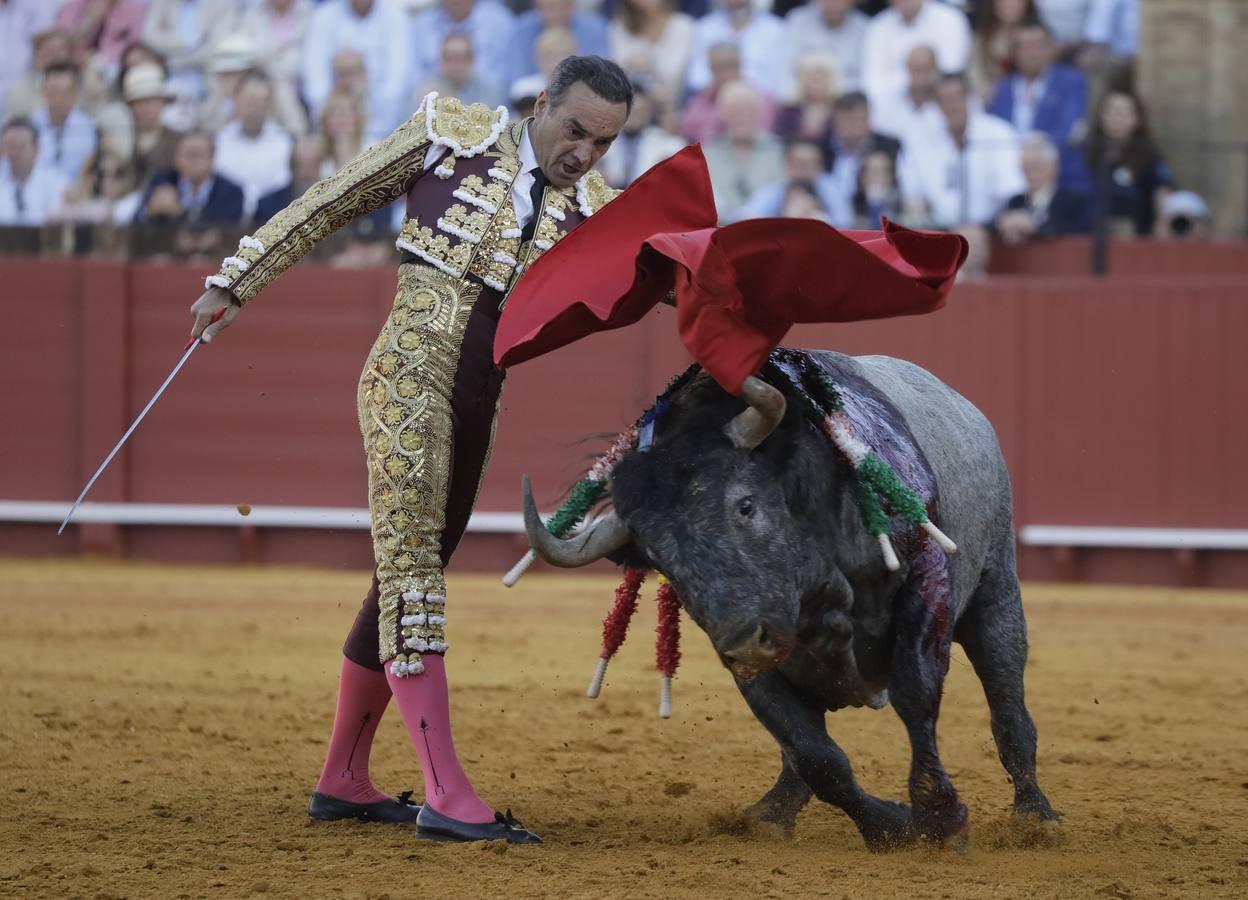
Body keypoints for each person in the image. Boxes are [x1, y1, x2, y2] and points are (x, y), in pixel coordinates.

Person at [187, 55, 630, 844]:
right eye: (577, 131)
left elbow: (660, 279)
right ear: (543, 104)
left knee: (401, 575)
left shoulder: (594, 209)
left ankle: (344, 780)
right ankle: (445, 792)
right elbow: (332, 201)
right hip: (406, 382)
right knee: (414, 580)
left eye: (603, 143)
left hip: (478, 404)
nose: (586, 154)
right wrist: (238, 279)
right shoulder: (449, 134)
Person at [897, 73, 1024, 231]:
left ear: (969, 97)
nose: (951, 105)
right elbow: (913, 197)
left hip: (992, 232)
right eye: (944, 100)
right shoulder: (918, 140)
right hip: (938, 232)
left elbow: (1011, 190)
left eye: (956, 97)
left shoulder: (999, 132)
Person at [987, 19, 1090, 193]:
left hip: (1059, 178)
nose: (1031, 53)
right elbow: (994, 131)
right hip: (1008, 177)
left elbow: (1068, 129)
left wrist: (1031, 155)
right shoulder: (1002, 88)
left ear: (1051, 49)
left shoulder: (1071, 81)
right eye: (1024, 47)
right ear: (1015, 53)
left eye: (1037, 46)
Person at [1084, 88, 1173, 237]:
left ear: (1137, 119)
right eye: (1111, 111)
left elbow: (1163, 194)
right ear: (1101, 116)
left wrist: (1162, 225)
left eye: (1124, 112)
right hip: (1088, 239)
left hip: (1136, 242)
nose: (1116, 117)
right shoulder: (1086, 152)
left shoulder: (1149, 157)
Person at [862, 0, 970, 118]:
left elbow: (950, 72)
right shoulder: (877, 27)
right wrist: (913, 80)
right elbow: (873, 85)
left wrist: (912, 80)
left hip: (941, 109)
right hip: (894, 111)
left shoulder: (951, 19)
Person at [702, 79, 784, 222]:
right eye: (734, 109)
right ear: (722, 114)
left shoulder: (779, 151)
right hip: (718, 233)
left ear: (760, 113)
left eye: (747, 109)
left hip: (768, 232)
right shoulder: (708, 153)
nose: (741, 115)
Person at [213, 72, 294, 217]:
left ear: (269, 104)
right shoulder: (219, 140)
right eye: (249, 101)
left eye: (261, 102)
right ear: (236, 100)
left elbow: (282, 186)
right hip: (227, 221)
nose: (254, 108)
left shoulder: (285, 143)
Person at [995, 131, 1091, 243]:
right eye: (1026, 167)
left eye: (1036, 166)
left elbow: (1081, 229)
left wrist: (1036, 226)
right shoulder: (1016, 201)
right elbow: (993, 225)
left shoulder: (1073, 200)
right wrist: (1004, 223)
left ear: (1054, 166)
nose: (1030, 173)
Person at [729, 136, 848, 225]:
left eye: (809, 163)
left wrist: (817, 218)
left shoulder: (832, 190)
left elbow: (846, 223)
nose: (803, 168)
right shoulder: (771, 191)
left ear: (820, 167)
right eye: (798, 163)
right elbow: (747, 218)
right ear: (787, 165)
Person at [136, 128, 244, 224]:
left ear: (212, 159)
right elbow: (137, 220)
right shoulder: (161, 182)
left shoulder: (231, 192)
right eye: (189, 154)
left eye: (200, 154)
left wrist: (180, 213)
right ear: (177, 158)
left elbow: (227, 231)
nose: (195, 161)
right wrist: (150, 210)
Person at [685, 0, 786, 98]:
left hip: (760, 101)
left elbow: (778, 80)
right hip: (713, 99)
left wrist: (742, 88)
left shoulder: (776, 29)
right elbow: (696, 77)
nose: (736, 1)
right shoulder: (705, 27)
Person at [595, 81, 685, 188]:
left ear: (649, 112)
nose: (635, 117)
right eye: (632, 111)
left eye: (641, 111)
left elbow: (678, 148)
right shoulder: (603, 138)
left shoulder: (663, 141)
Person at [607, 0, 695, 110]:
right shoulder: (618, 26)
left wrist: (642, 65)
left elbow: (672, 76)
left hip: (672, 108)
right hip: (627, 106)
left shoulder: (683, 25)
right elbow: (616, 73)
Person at [30, 64, 99, 185]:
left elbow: (91, 172)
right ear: (43, 92)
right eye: (54, 91)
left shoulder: (89, 128)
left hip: (77, 196)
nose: (60, 98)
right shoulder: (30, 127)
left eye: (66, 92)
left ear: (75, 95)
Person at [782, 0, 869, 94]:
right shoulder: (798, 21)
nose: (833, 3)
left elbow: (866, 82)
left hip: (846, 101)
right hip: (803, 101)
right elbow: (785, 73)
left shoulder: (865, 28)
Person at [0, 117, 69, 226]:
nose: (15, 152)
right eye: (10, 146)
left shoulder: (57, 183)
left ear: (36, 149)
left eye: (21, 146)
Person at [411, 33, 505, 111]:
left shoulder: (490, 91)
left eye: (462, 58)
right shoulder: (426, 92)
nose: (456, 65)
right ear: (441, 61)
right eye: (450, 58)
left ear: (472, 60)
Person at [872, 43, 943, 143]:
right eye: (915, 68)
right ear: (907, 67)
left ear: (935, 68)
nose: (920, 74)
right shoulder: (889, 103)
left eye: (925, 68)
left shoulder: (947, 105)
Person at [772, 52, 839, 147]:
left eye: (823, 75)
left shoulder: (840, 113)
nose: (817, 79)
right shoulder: (788, 111)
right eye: (811, 75)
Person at [850, 148, 903, 228]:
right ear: (862, 178)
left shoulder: (901, 206)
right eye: (875, 172)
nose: (881, 177)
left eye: (886, 172)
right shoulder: (848, 207)